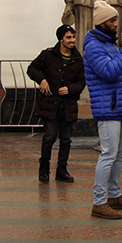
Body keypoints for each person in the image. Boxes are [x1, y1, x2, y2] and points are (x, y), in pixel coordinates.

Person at [83, 0, 122, 220]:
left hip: (117, 105)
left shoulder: (107, 43)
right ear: (101, 23)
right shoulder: (94, 46)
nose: (116, 23)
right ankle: (99, 202)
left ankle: (114, 195)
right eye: (112, 20)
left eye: (116, 19)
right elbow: (109, 72)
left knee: (120, 152)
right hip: (107, 107)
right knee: (108, 153)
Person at [27, 24, 86, 184]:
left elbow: (82, 82)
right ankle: (44, 169)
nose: (72, 40)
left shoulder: (77, 58)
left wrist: (71, 89)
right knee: (50, 136)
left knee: (66, 139)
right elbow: (32, 68)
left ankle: (62, 170)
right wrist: (42, 80)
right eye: (68, 37)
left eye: (73, 37)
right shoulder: (48, 55)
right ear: (61, 39)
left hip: (68, 105)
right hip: (50, 103)